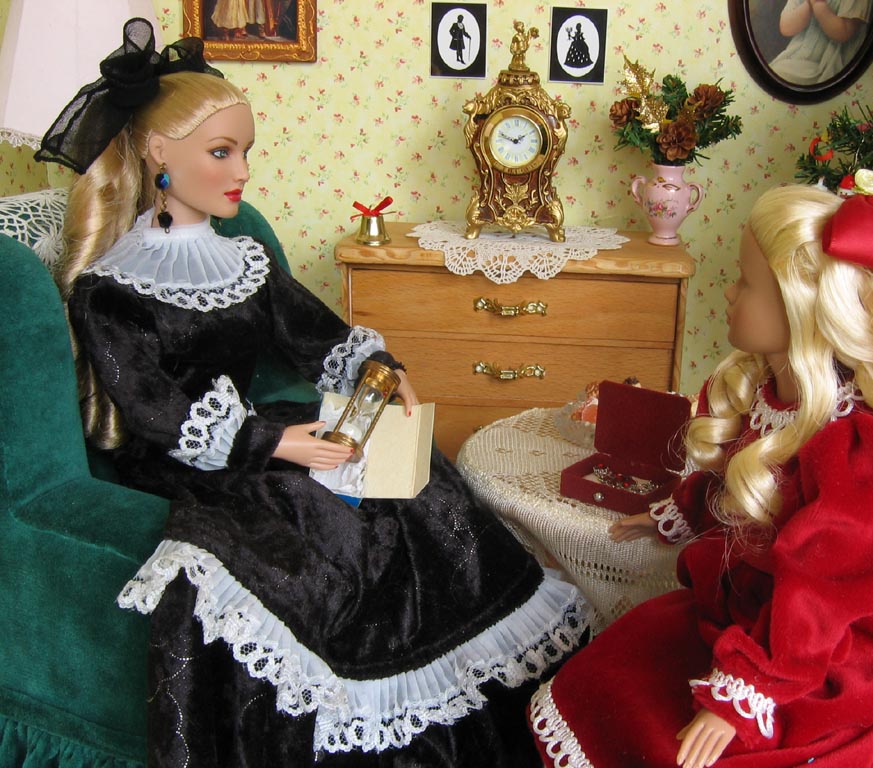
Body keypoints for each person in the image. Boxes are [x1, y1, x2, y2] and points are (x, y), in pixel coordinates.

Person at [36, 19, 588, 768]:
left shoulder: (243, 257)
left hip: (268, 430)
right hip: (196, 459)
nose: (242, 171)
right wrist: (275, 443)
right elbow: (154, 410)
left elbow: (315, 333)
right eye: (222, 152)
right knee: (329, 522)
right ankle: (368, 709)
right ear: (160, 153)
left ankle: (474, 706)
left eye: (246, 151)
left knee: (426, 485)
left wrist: (377, 371)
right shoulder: (111, 289)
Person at [529, 174, 873, 768]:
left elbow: (826, 590)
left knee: (677, 737)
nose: (729, 293)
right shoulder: (774, 392)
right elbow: (743, 477)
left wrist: (745, 690)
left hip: (822, 641)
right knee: (616, 666)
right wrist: (680, 511)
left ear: (804, 310)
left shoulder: (865, 445)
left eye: (747, 283)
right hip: (755, 606)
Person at [769, 0, 870, 85]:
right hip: (796, 58)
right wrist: (808, 4)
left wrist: (818, 5)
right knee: (775, 74)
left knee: (780, 76)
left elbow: (843, 33)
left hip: (831, 68)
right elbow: (786, 28)